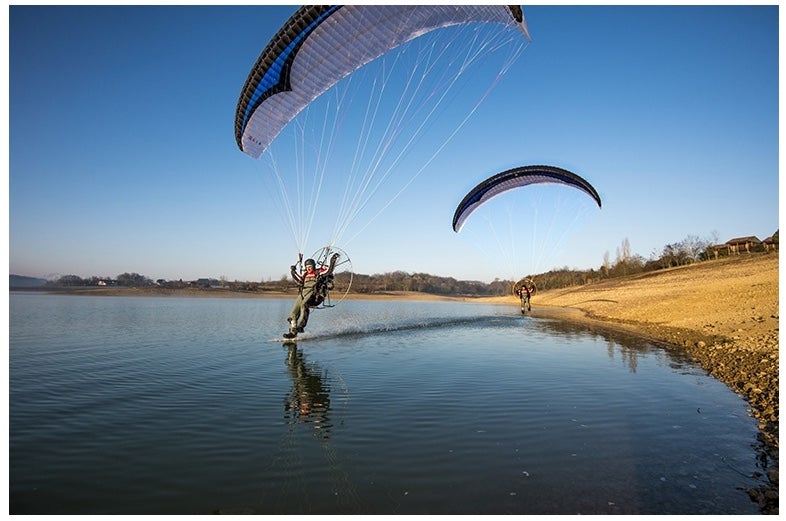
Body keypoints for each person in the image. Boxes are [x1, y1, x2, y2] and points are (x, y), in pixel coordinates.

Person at [284, 252, 340, 338]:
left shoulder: (318, 273)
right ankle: (293, 330)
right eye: (306, 267)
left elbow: (329, 271)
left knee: (303, 305)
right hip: (303, 293)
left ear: (313, 266)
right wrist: (293, 272)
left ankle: (300, 327)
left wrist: (332, 260)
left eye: (310, 267)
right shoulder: (305, 275)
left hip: (314, 295)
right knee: (294, 310)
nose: (308, 268)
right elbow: (298, 280)